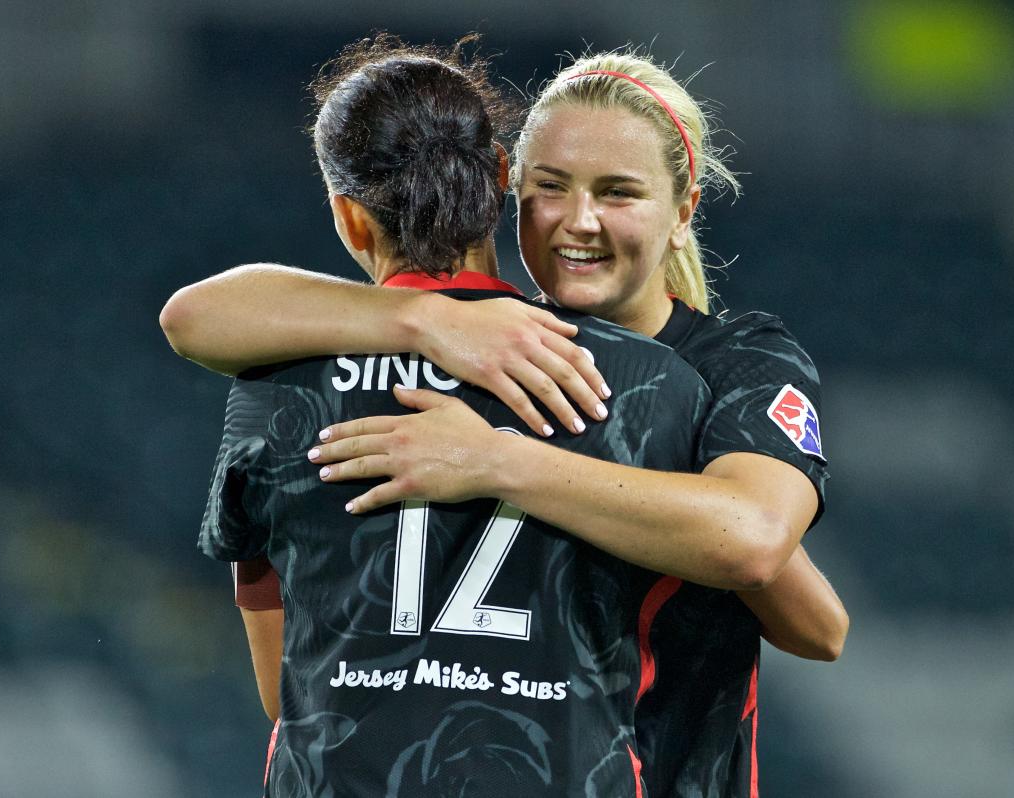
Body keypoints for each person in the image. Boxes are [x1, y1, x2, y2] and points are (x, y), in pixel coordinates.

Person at [163, 47, 848, 798]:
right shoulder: (568, 363)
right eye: (550, 187)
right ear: (503, 186)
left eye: (618, 193)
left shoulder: (729, 363)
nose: (579, 222)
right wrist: (422, 322)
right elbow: (193, 315)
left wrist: (497, 460)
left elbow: (803, 608)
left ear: (683, 212)